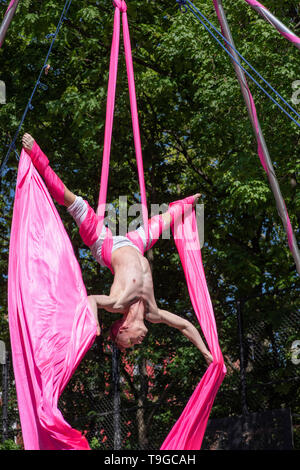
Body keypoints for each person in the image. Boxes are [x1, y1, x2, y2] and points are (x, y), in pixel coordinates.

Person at [22, 133, 213, 366]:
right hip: (134, 245)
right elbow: (185, 325)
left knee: (74, 202)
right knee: (165, 221)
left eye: (129, 342)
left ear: (123, 328)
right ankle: (188, 201)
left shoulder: (118, 303)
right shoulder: (153, 313)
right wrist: (206, 352)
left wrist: (94, 325)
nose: (138, 343)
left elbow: (91, 299)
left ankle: (37, 155)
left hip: (104, 245)